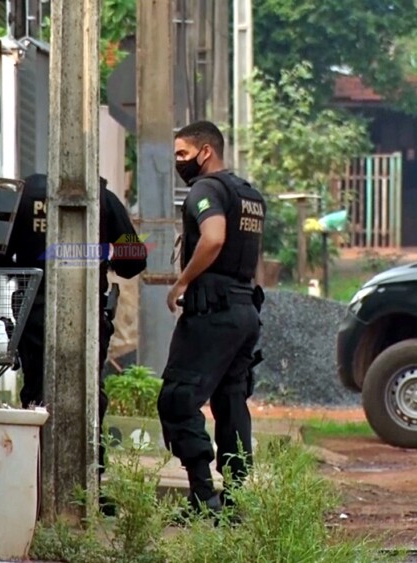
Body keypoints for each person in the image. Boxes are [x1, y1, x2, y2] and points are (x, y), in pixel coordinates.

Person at [0, 173, 147, 506]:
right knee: (87, 392)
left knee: (38, 392)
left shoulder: (24, 197)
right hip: (87, 310)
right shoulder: (102, 197)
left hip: (34, 307)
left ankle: (34, 485)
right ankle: (88, 487)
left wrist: (29, 268)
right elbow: (135, 260)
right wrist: (106, 259)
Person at [157, 120, 266, 515]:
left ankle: (204, 499)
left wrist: (182, 283)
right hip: (244, 310)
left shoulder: (206, 190)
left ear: (206, 152)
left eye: (183, 154)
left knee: (178, 399)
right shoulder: (248, 194)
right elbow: (254, 259)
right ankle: (235, 500)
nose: (178, 162)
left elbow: (215, 237)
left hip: (212, 311)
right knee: (231, 400)